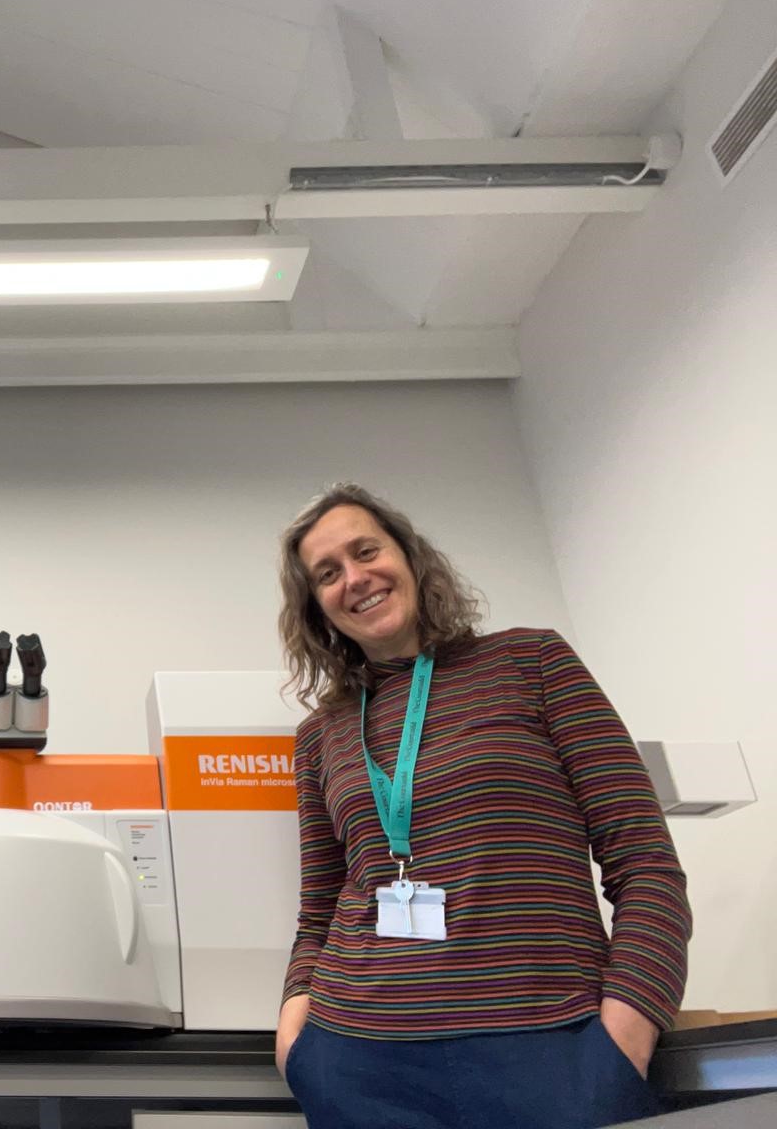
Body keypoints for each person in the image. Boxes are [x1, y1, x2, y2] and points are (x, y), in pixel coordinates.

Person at [273, 484, 691, 1129]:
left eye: (366, 551)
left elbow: (645, 866)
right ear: (316, 607)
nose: (355, 579)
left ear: (411, 558)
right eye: (327, 574)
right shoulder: (320, 733)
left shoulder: (533, 662)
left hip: (553, 1048)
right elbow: (320, 908)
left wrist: (628, 1026)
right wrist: (297, 1033)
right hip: (357, 1054)